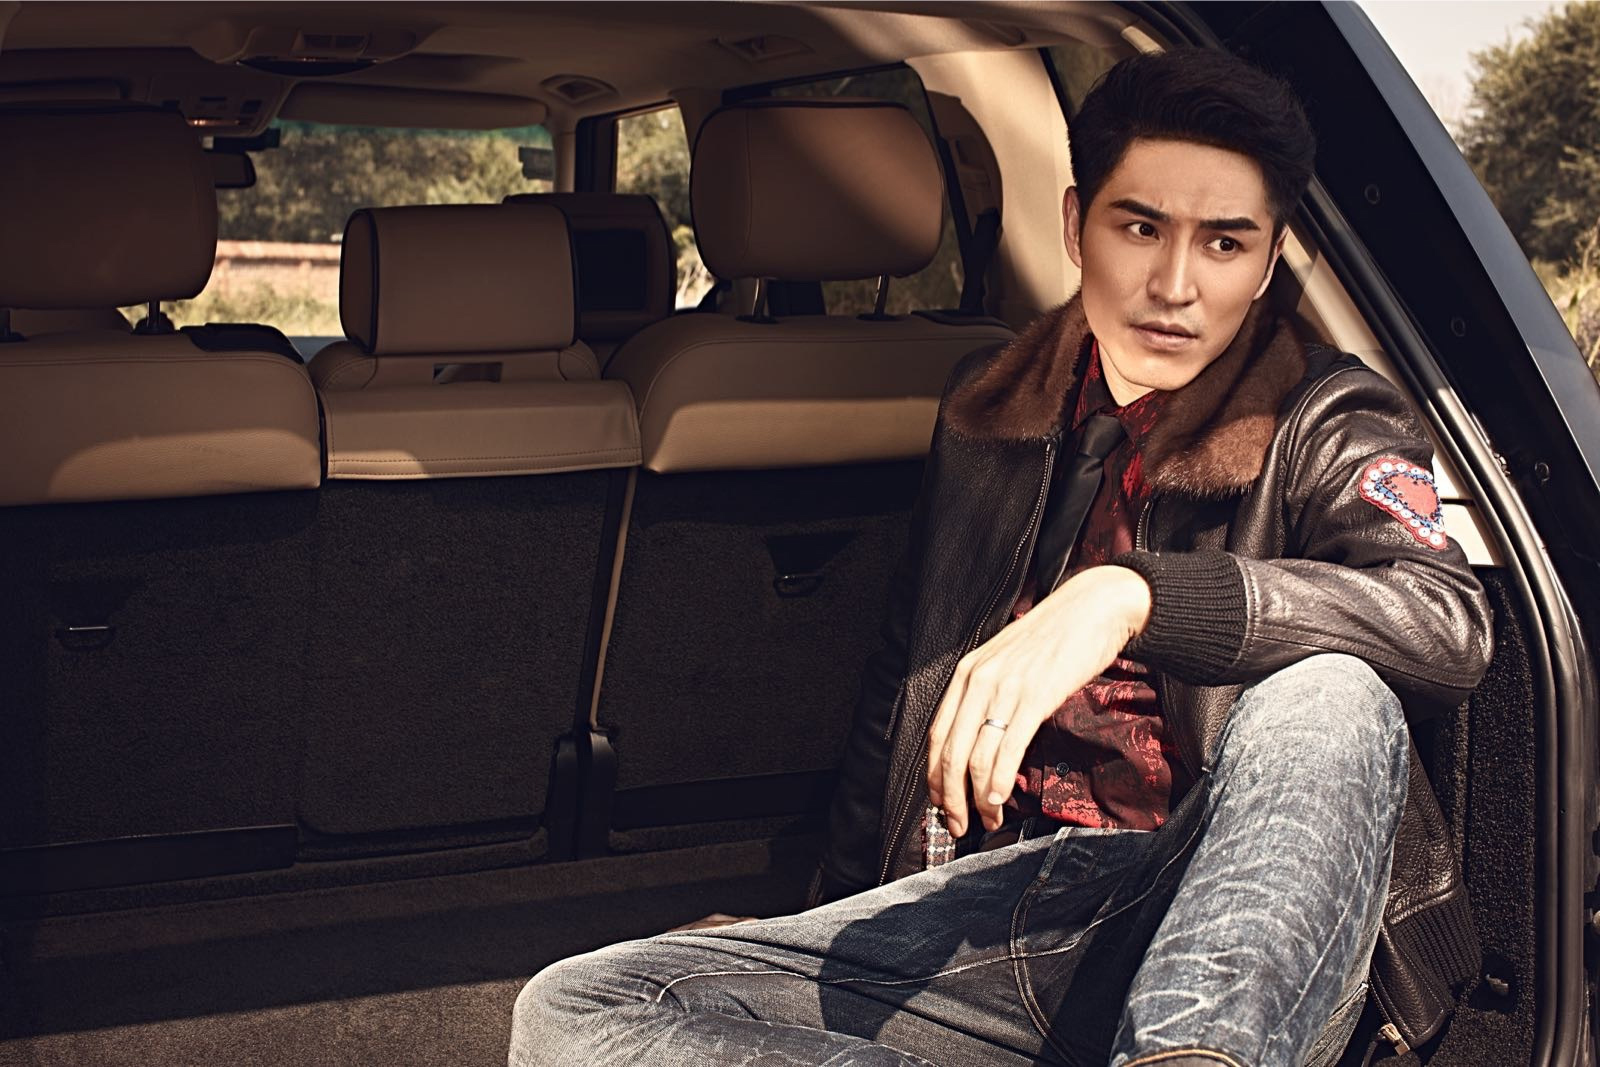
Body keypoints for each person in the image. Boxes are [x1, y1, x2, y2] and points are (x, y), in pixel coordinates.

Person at [508, 48, 1492, 1067]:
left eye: (1224, 242)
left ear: (1270, 257)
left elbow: (1446, 621)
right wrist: (825, 920)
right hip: (1000, 909)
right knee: (579, 1005)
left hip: (1226, 909)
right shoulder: (990, 407)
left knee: (1330, 693)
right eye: (1139, 227)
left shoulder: (1328, 414)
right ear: (1075, 225)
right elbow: (904, 683)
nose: (1174, 285)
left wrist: (1134, 596)